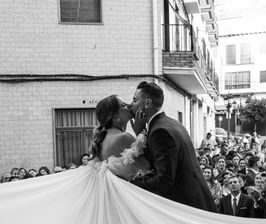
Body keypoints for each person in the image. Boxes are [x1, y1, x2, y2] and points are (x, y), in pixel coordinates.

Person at [128, 82, 216, 212]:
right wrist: (140, 133)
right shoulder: (171, 123)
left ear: (147, 103)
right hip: (195, 200)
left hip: (187, 206)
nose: (131, 104)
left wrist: (129, 185)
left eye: (135, 100)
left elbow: (164, 179)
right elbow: (157, 161)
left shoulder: (160, 131)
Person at [90, 95, 150, 180]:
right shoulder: (124, 138)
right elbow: (148, 168)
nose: (129, 106)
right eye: (123, 105)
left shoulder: (102, 140)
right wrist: (141, 132)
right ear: (114, 116)